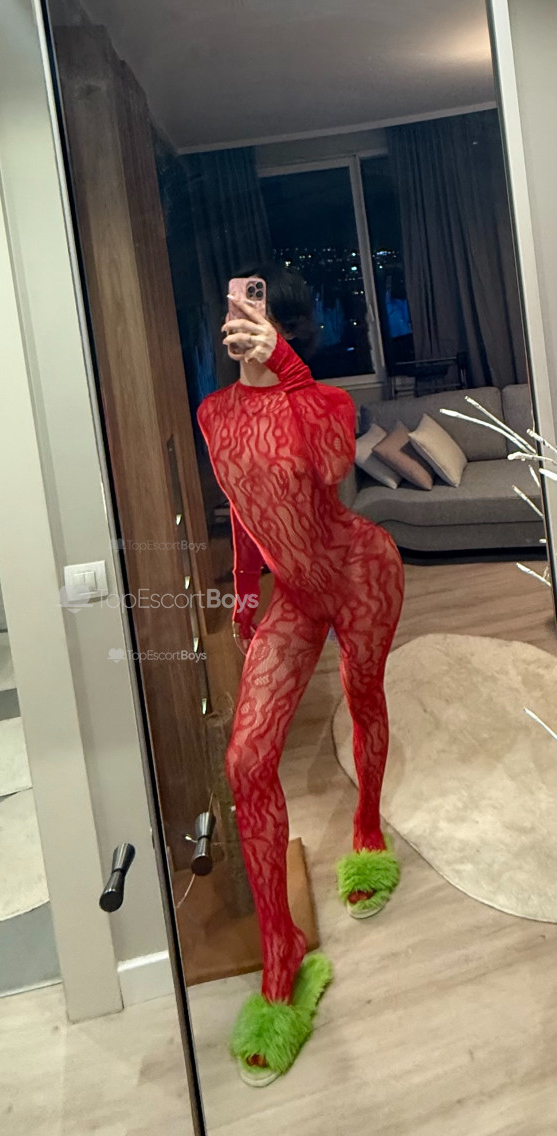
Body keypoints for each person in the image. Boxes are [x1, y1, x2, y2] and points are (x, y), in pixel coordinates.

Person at [196, 262, 405, 1085]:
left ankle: (366, 834)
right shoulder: (213, 414)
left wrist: (282, 365)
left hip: (358, 572)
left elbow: (324, 467)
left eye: (258, 309)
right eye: (234, 307)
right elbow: (243, 509)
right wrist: (244, 588)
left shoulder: (324, 402)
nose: (241, 319)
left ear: (283, 322)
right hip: (294, 594)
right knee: (245, 761)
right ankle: (281, 961)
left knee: (361, 697)